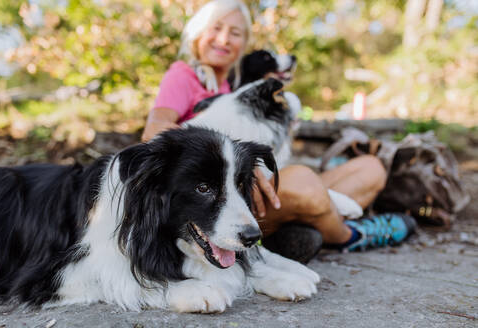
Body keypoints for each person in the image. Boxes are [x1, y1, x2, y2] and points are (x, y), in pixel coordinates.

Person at [141, 0, 416, 263]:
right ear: (197, 33)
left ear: (244, 43)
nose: (224, 39)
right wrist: (234, 163)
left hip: (256, 198)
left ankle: (295, 233)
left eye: (235, 33)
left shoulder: (240, 87)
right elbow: (152, 132)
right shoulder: (184, 75)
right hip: (217, 205)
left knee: (370, 168)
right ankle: (347, 235)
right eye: (216, 28)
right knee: (306, 184)